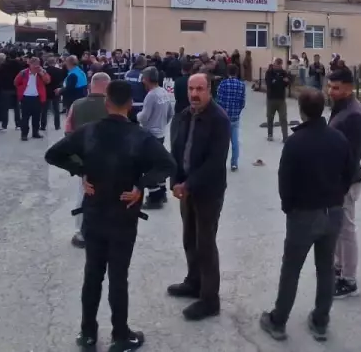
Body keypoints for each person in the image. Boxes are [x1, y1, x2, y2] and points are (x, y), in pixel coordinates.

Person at [45, 79, 176, 352]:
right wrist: (141, 185)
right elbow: (168, 164)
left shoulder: (88, 132)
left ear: (106, 102)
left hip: (94, 214)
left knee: (92, 274)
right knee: (118, 277)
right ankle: (120, 335)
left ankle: (88, 334)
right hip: (123, 217)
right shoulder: (140, 137)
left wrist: (80, 171)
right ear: (130, 105)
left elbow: (53, 154)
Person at [259, 88, 353, 342]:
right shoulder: (338, 139)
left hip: (303, 215)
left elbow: (285, 181)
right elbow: (350, 174)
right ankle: (320, 321)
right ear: (323, 108)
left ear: (301, 110)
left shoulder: (295, 142)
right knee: (326, 268)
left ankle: (278, 321)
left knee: (291, 269)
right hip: (333, 212)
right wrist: (337, 197)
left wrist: (289, 207)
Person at [167, 73, 231, 321]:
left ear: (209, 90)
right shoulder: (184, 115)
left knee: (205, 243)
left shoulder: (219, 119)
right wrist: (175, 181)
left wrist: (188, 184)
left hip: (208, 192)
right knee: (189, 239)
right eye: (191, 89)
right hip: (185, 189)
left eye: (200, 89)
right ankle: (193, 282)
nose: (194, 93)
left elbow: (215, 162)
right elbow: (175, 150)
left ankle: (210, 299)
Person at [326, 67, 361, 299]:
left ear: (349, 89)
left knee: (347, 230)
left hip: (346, 182)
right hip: (336, 180)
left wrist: (340, 185)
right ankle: (339, 267)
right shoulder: (341, 106)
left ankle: (349, 280)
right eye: (329, 87)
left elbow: (354, 155)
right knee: (338, 228)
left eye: (336, 88)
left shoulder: (354, 115)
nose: (330, 91)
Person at [65, 72, 112, 248]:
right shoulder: (113, 105)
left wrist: (75, 161)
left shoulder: (76, 105)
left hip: (84, 162)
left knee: (83, 195)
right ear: (108, 86)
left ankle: (81, 233)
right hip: (110, 162)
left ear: (91, 85)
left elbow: (68, 132)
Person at [136, 66, 175, 209]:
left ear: (147, 79)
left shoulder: (151, 95)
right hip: (161, 134)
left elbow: (144, 117)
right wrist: (162, 124)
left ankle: (154, 197)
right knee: (159, 164)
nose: (142, 81)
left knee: (149, 166)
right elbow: (171, 113)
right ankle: (162, 192)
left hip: (150, 135)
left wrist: (136, 115)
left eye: (143, 79)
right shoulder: (164, 92)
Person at [215, 64, 246, 172]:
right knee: (235, 142)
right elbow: (242, 102)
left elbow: (218, 100)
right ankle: (234, 163)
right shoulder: (241, 85)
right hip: (235, 117)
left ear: (228, 72)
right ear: (236, 72)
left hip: (223, 117)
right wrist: (237, 111)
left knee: (222, 142)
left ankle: (220, 162)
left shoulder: (223, 84)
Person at [14, 56, 50, 140]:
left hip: (37, 98)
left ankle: (35, 132)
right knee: (25, 117)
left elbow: (47, 81)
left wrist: (42, 73)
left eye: (38, 64)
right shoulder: (23, 73)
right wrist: (21, 88)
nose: (36, 66)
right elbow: (16, 82)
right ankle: (24, 134)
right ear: (30, 64)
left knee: (36, 117)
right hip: (26, 98)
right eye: (34, 64)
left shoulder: (42, 72)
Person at [264, 58, 291, 142]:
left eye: (279, 65)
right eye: (276, 64)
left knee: (283, 118)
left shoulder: (284, 72)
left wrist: (281, 81)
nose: (278, 66)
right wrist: (280, 80)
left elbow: (287, 83)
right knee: (270, 117)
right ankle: (270, 134)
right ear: (274, 64)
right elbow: (269, 84)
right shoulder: (269, 72)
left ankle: (285, 137)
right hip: (271, 99)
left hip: (281, 99)